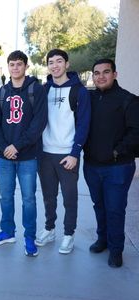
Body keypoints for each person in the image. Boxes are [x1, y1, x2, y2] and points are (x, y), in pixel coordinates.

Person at [0, 50, 47, 257]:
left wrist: (17, 146)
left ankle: (29, 236)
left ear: (26, 67)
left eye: (19, 64)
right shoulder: (1, 93)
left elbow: (38, 124)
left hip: (28, 156)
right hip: (4, 157)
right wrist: (5, 147)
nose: (15, 68)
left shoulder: (36, 90)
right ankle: (7, 231)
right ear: (8, 67)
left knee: (29, 198)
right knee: (5, 197)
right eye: (11, 64)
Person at [83, 59, 139, 268]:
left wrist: (116, 152)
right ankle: (103, 240)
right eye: (96, 73)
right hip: (91, 165)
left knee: (115, 209)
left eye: (106, 72)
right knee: (99, 206)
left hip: (118, 167)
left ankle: (116, 250)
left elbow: (136, 132)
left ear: (115, 74)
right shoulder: (89, 98)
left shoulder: (129, 100)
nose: (101, 76)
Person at [35, 49, 91, 254]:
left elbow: (84, 124)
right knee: (49, 197)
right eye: (51, 62)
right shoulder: (43, 89)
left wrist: (75, 153)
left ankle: (69, 234)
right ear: (48, 66)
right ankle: (49, 229)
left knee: (69, 198)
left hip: (67, 154)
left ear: (67, 64)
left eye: (59, 61)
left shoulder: (79, 91)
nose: (55, 65)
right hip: (45, 154)